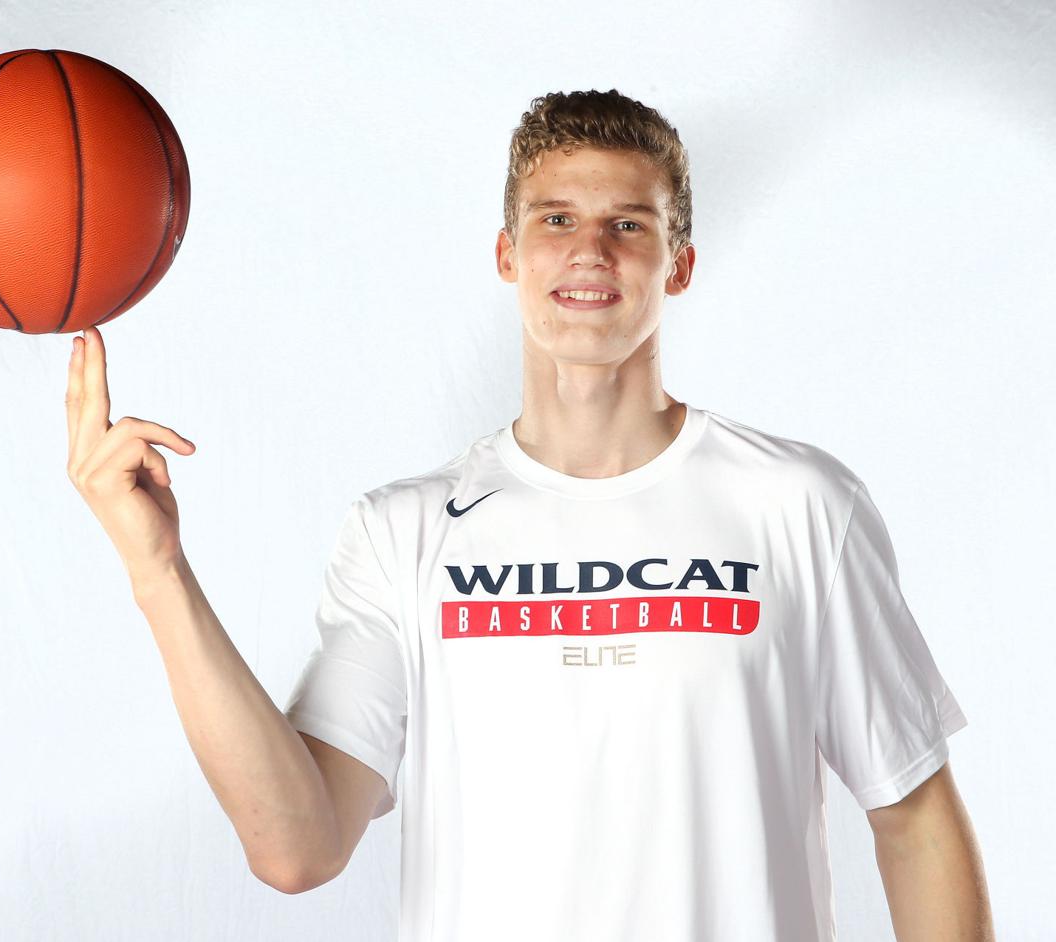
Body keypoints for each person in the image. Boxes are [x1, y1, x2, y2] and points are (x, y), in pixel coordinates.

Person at [65, 89, 994, 941]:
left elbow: (914, 818)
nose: (590, 251)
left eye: (628, 224)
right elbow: (295, 846)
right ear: (508, 255)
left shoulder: (801, 505)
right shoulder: (404, 533)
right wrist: (158, 571)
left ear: (678, 265)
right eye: (556, 219)